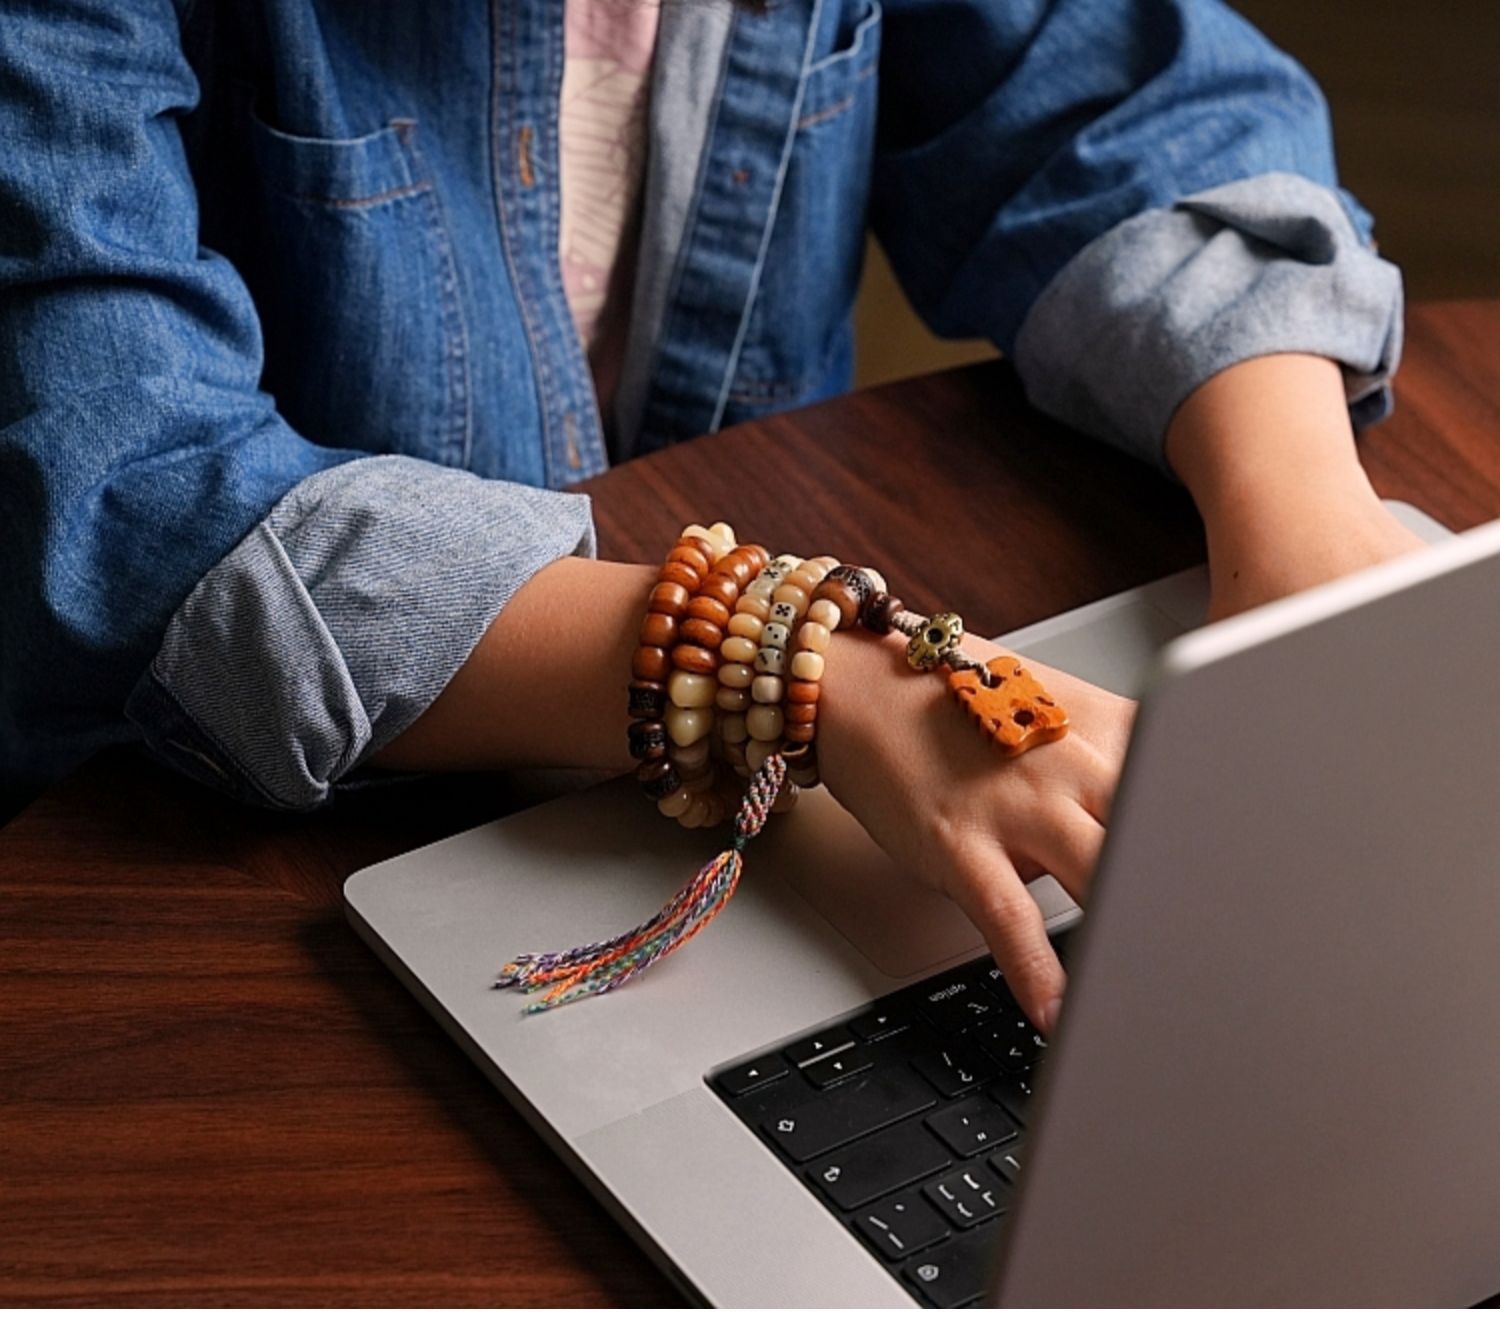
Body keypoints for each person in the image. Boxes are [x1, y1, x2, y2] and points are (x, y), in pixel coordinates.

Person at [0, 0, 1424, 1031]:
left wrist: (1299, 515)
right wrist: (814, 665)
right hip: (182, 886)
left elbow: (1105, 101)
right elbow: (121, 485)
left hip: (735, 816)